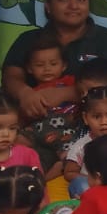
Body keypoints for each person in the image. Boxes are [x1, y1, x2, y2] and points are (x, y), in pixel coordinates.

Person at [2, 0, 107, 122]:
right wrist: (24, 93)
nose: (74, 6)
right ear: (48, 5)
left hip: (93, 125)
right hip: (35, 123)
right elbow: (10, 77)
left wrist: (65, 94)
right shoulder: (29, 40)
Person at [20, 31, 80, 160]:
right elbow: (25, 115)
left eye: (53, 64)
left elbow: (86, 93)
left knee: (69, 142)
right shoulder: (32, 92)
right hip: (40, 127)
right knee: (19, 137)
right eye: (40, 65)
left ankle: (65, 159)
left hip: (66, 126)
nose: (47, 69)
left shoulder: (71, 82)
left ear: (63, 66)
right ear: (29, 68)